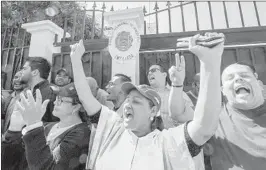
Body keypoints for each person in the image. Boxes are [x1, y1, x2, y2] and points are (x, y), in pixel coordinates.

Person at [70, 35, 223, 170]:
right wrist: (75, 60)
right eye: (127, 100)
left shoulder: (168, 143)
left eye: (136, 101)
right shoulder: (112, 129)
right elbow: (85, 96)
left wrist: (210, 64)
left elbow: (204, 127)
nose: (128, 105)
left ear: (153, 111)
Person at [10, 83, 91, 170]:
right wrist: (14, 130)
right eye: (56, 98)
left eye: (60, 100)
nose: (55, 102)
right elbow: (16, 161)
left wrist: (33, 126)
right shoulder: (47, 126)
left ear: (76, 107)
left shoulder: (82, 134)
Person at [208, 62, 266, 170]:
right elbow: (178, 114)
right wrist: (177, 85)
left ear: (259, 82)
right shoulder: (212, 118)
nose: (238, 79)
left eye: (244, 75)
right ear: (223, 90)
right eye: (230, 78)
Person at [147, 57, 194, 128]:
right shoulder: (144, 95)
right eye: (148, 72)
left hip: (174, 136)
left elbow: (191, 119)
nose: (150, 73)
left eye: (153, 70)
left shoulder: (178, 93)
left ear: (164, 75)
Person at [20, 57, 59, 122]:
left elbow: (56, 124)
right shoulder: (25, 92)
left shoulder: (52, 92)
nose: (21, 72)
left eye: (24, 69)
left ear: (35, 72)